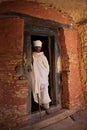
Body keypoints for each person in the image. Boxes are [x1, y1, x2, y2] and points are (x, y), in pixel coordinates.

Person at [31, 40, 51, 114]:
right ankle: (40, 105)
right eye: (36, 47)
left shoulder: (43, 56)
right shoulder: (32, 55)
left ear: (41, 47)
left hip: (43, 76)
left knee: (45, 91)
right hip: (36, 76)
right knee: (37, 91)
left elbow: (47, 67)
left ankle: (47, 107)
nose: (38, 48)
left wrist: (45, 74)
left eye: (39, 47)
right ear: (34, 47)